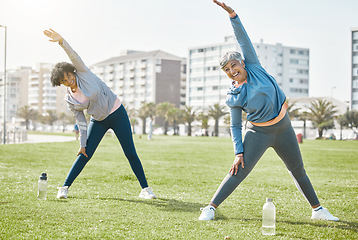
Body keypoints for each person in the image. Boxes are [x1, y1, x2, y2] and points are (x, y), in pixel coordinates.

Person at [199, 1, 339, 221]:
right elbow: (235, 125)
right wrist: (238, 152)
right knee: (240, 170)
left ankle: (318, 210)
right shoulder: (234, 95)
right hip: (258, 134)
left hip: (284, 128)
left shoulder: (254, 66)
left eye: (234, 65)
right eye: (226, 70)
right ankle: (210, 208)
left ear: (242, 63)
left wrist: (232, 15)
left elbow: (243, 39)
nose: (232, 71)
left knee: (298, 170)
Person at [43, 29, 156, 200]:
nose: (69, 80)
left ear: (72, 72)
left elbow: (73, 55)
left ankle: (145, 189)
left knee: (130, 152)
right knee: (85, 153)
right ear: (61, 83)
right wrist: (82, 143)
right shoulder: (70, 99)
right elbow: (80, 121)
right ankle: (64, 187)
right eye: (64, 80)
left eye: (68, 75)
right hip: (99, 120)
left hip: (117, 113)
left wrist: (62, 41)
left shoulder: (83, 72)